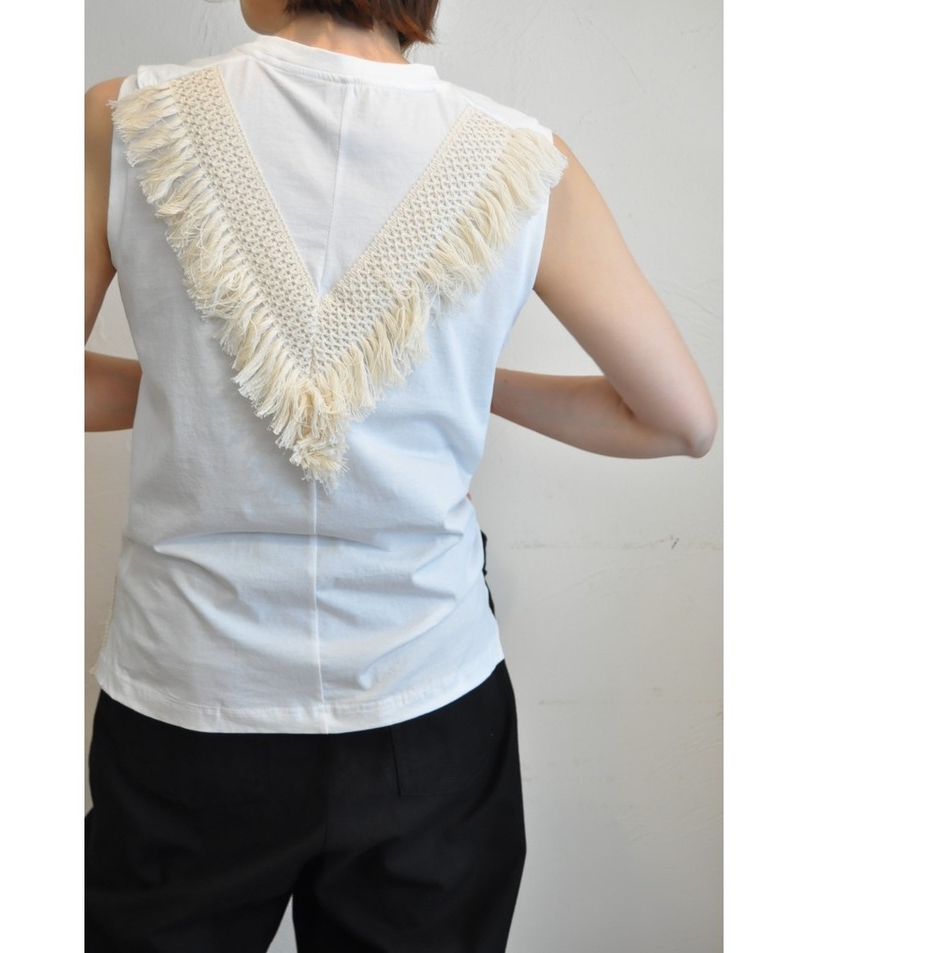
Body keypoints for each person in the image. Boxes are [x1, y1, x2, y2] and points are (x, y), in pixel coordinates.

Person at [84, 1, 716, 950]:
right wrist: (464, 382)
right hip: (427, 717)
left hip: (187, 711)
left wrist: (196, 390)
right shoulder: (520, 157)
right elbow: (680, 419)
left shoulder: (126, 119)